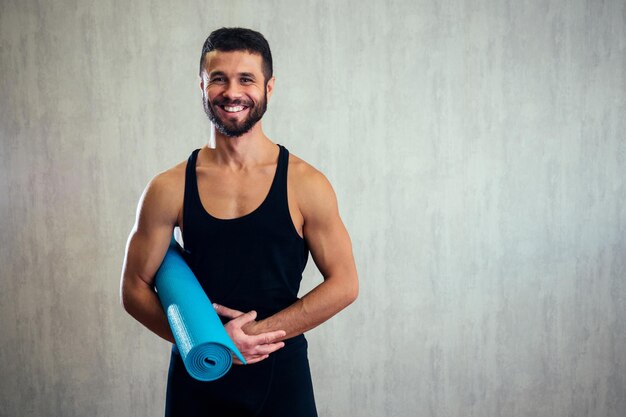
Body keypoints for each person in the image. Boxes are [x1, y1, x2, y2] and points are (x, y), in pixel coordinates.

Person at [120, 27, 358, 417]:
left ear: (269, 86)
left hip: (280, 377)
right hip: (198, 377)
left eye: (246, 78)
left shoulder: (305, 183)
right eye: (218, 79)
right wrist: (205, 342)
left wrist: (248, 338)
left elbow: (345, 283)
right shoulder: (168, 188)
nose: (232, 93)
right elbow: (133, 289)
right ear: (201, 85)